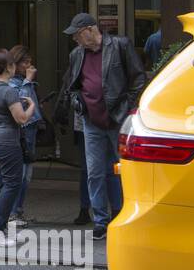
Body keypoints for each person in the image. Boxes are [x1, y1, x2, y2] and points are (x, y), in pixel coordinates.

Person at [54, 12, 147, 241]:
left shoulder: (119, 45)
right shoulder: (77, 54)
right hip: (91, 121)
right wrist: (77, 102)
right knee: (94, 172)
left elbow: (138, 78)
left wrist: (127, 108)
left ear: (89, 30)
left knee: (125, 170)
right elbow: (73, 84)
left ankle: (126, 216)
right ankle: (100, 221)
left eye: (77, 34)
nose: (75, 39)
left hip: (118, 120)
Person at [0, 48, 37, 247]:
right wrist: (32, 106)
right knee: (13, 184)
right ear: (9, 67)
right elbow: (21, 119)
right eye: (13, 64)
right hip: (7, 143)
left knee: (1, 182)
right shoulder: (9, 91)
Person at [7, 45, 42, 222]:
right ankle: (12, 212)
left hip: (31, 128)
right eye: (25, 63)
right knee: (20, 173)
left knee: (27, 174)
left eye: (30, 62)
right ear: (15, 63)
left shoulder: (22, 81)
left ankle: (18, 210)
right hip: (22, 130)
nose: (29, 66)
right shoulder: (12, 83)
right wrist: (28, 80)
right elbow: (21, 103)